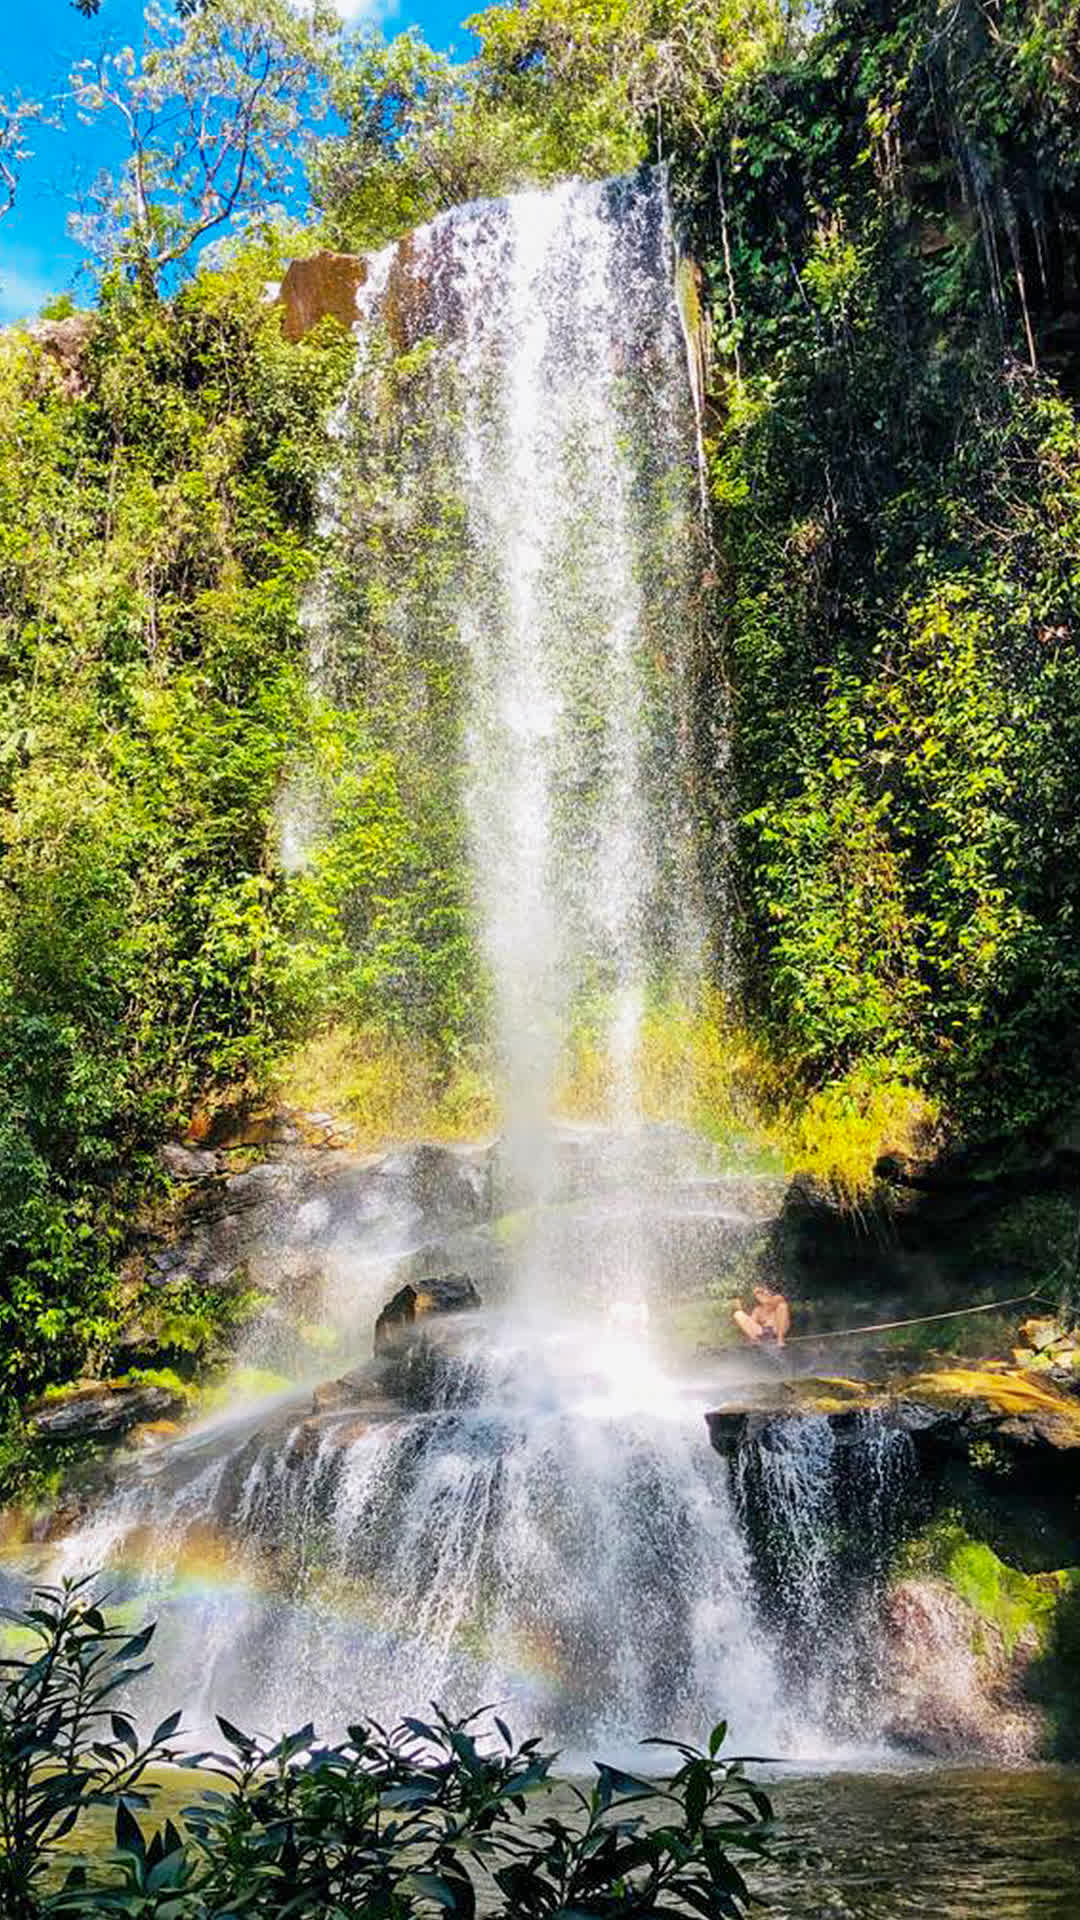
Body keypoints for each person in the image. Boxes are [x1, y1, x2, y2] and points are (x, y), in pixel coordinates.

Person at [733, 1285, 790, 1350]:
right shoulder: (757, 1310)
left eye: (760, 1292)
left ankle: (780, 1340)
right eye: (756, 1294)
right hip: (763, 1332)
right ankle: (755, 1340)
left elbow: (769, 1302)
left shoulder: (778, 1298)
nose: (758, 1295)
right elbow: (751, 1324)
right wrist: (739, 1307)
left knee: (782, 1306)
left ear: (767, 1292)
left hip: (777, 1329)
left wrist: (762, 1294)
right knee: (738, 1314)